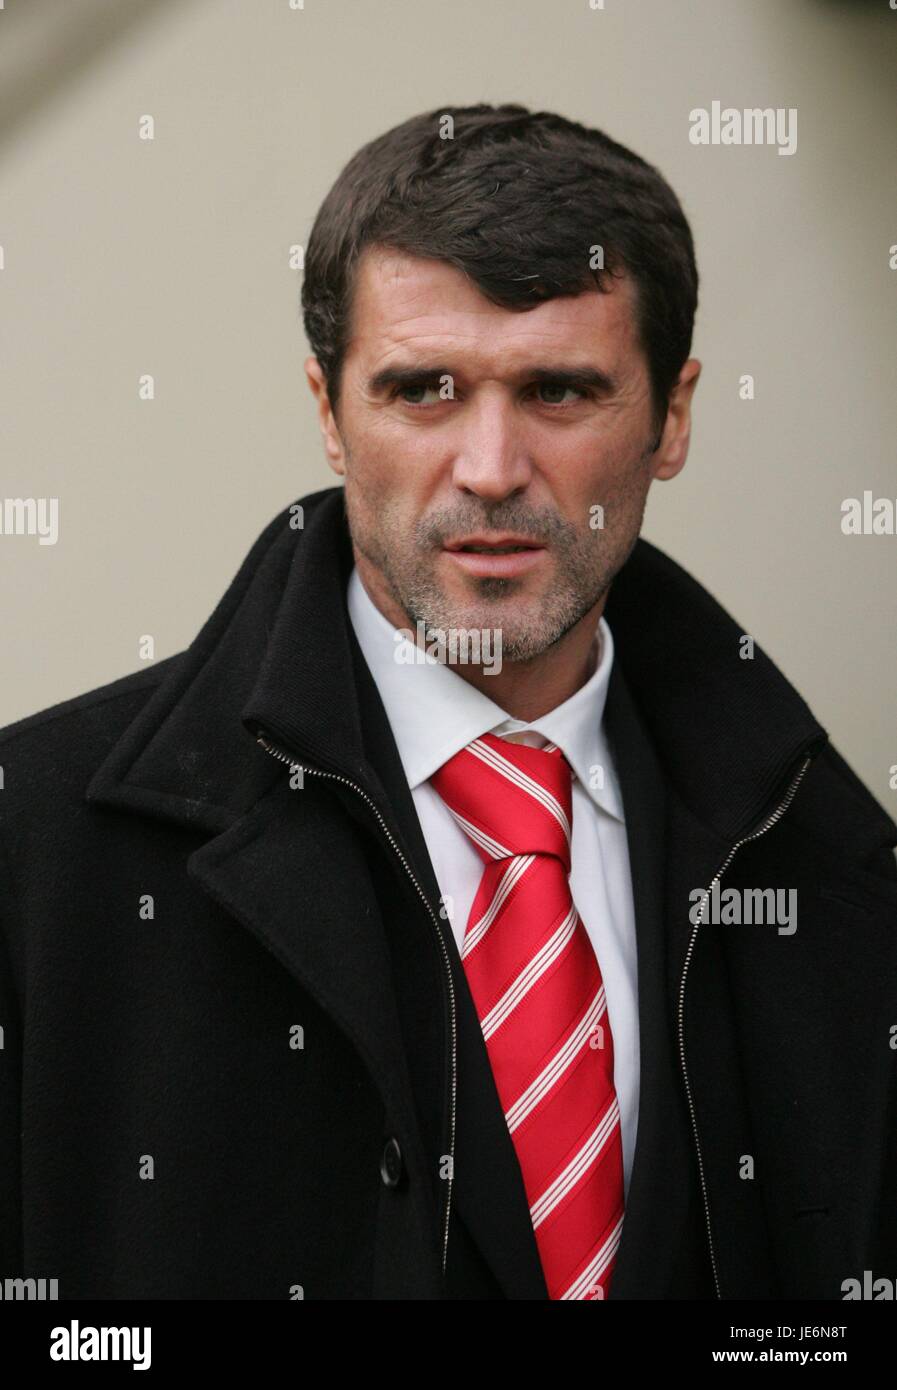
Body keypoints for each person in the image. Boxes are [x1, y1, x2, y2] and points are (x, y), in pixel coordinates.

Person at [1, 103, 895, 1301]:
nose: (488, 466)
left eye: (561, 392)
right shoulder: (35, 855)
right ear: (329, 412)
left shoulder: (841, 873)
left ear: (671, 417)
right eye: (422, 389)